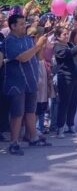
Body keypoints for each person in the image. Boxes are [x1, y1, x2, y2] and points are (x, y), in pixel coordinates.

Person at [3, 14, 51, 155]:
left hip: (31, 82)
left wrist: (41, 45)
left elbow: (38, 57)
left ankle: (33, 138)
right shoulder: (9, 41)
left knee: (31, 111)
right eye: (22, 24)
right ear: (13, 26)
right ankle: (13, 143)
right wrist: (37, 46)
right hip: (16, 83)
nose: (25, 26)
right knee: (17, 114)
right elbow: (22, 58)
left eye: (25, 23)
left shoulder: (27, 39)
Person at [54, 26, 77, 138]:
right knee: (64, 103)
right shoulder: (58, 46)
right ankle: (60, 127)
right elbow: (67, 54)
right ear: (58, 36)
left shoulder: (70, 45)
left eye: (67, 33)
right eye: (64, 34)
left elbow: (76, 57)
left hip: (76, 76)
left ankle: (71, 125)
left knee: (73, 103)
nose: (66, 36)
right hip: (65, 77)